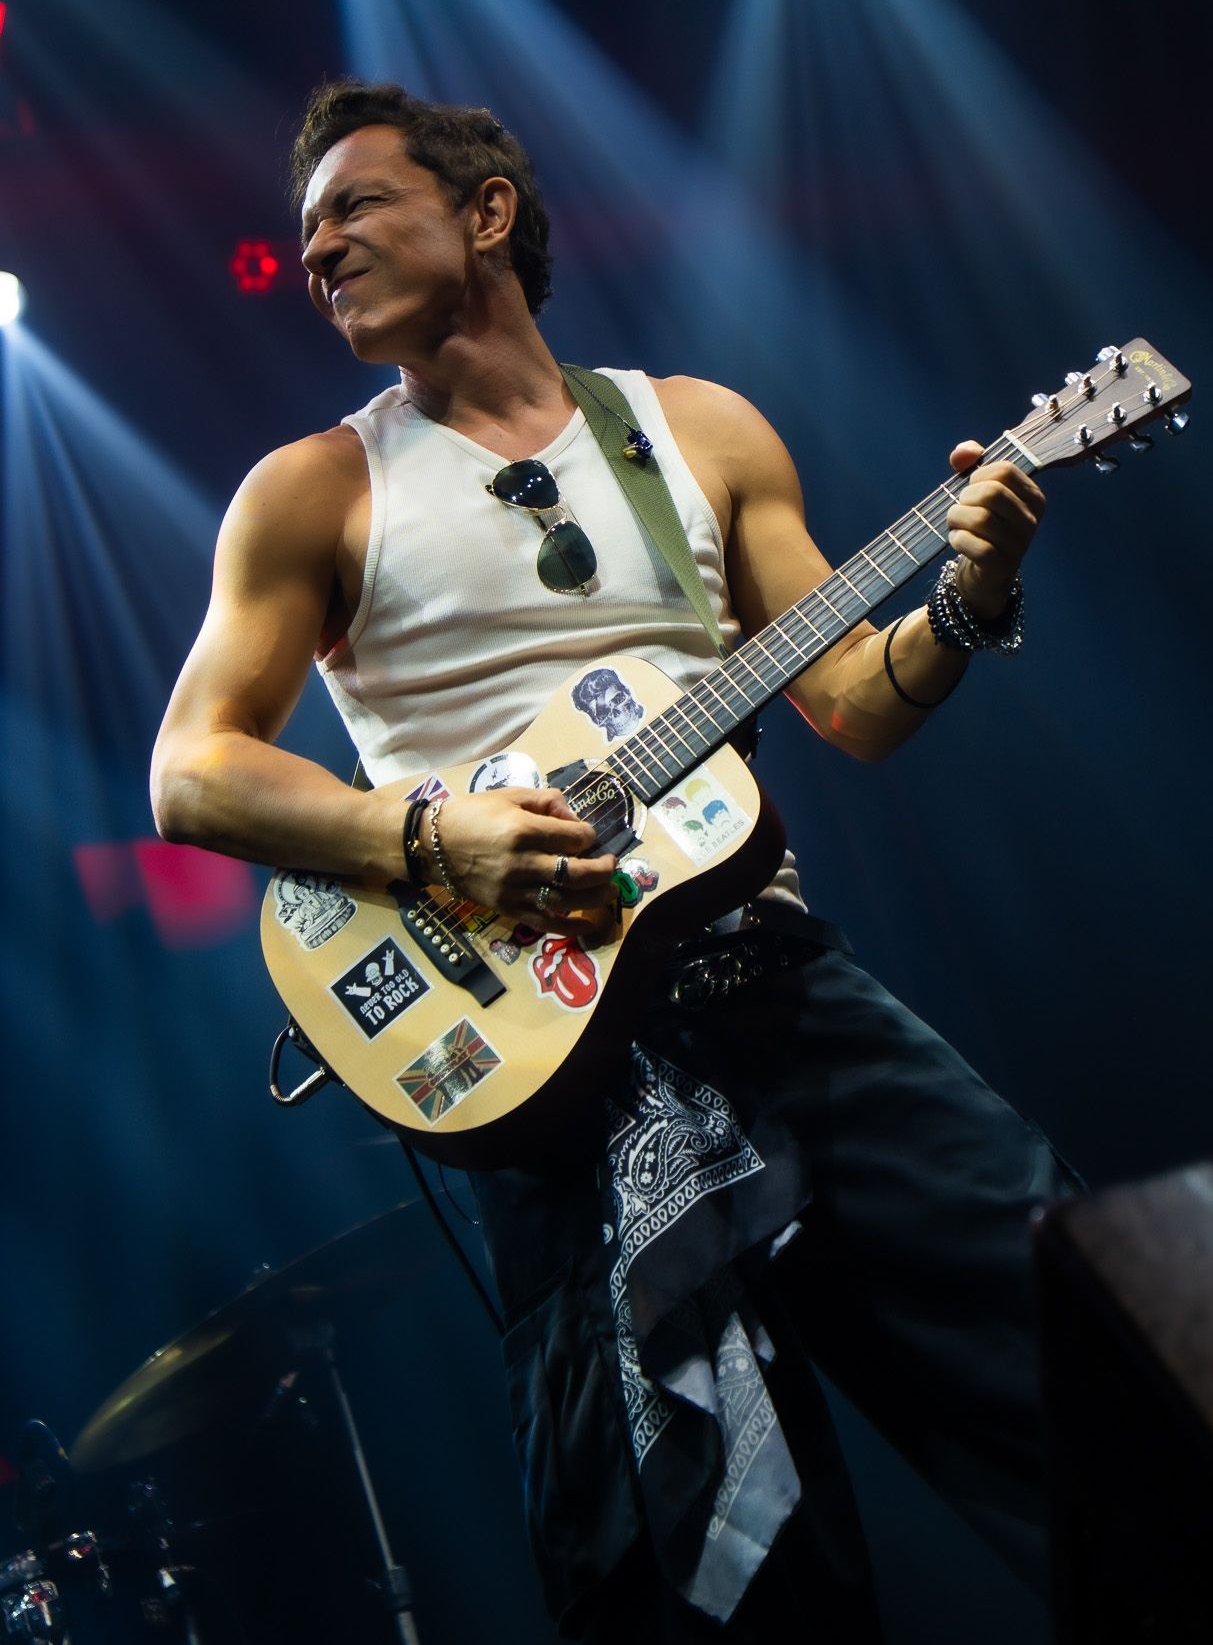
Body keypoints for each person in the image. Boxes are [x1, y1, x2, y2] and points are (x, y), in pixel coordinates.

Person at [152, 80, 1071, 1642]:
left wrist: (967, 600)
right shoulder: (314, 487)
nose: (318, 251)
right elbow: (193, 771)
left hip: (765, 984)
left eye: (354, 209)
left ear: (486, 213)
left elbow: (849, 699)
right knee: (681, 1572)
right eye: (304, 236)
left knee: (1080, 1348)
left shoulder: (695, 430)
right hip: (542, 1069)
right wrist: (434, 835)